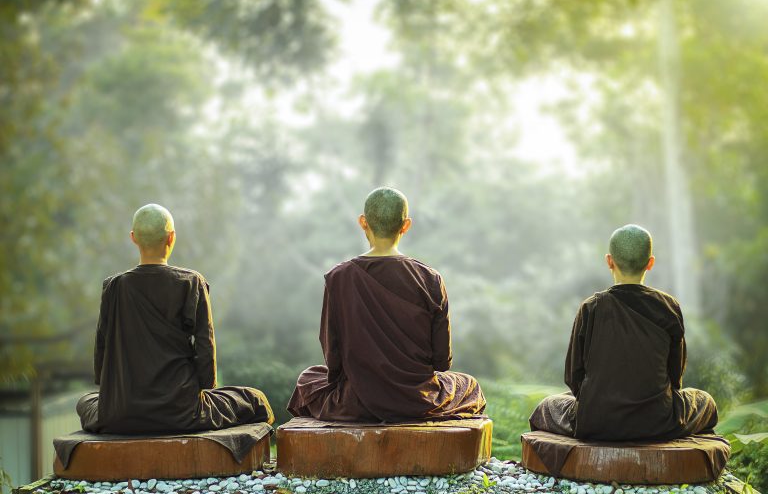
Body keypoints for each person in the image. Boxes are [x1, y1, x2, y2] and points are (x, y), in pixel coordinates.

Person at [287, 187, 486, 422]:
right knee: (469, 386)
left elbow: (333, 357)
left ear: (363, 222)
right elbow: (442, 361)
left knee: (308, 379)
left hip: (357, 401)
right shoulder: (430, 278)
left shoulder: (338, 277)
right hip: (418, 400)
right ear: (406, 225)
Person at [77, 204, 274, 434]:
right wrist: (204, 389)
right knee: (254, 399)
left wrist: (112, 392)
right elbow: (205, 345)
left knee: (86, 402)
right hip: (180, 411)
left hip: (119, 413)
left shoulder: (113, 287)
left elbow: (102, 346)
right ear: (171, 237)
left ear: (133, 238)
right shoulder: (190, 282)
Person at [529, 224, 718, 441]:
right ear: (650, 263)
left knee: (548, 406)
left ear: (609, 260)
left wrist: (599, 403)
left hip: (596, 420)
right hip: (658, 421)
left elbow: (573, 376)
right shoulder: (669, 306)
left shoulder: (591, 307)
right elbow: (675, 374)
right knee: (705, 402)